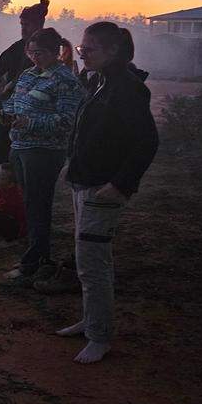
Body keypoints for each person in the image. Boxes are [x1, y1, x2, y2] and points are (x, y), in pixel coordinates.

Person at [56, 22, 159, 364]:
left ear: (112, 51)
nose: (83, 54)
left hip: (103, 189)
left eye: (90, 49)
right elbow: (85, 131)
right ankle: (92, 320)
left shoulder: (128, 89)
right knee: (87, 259)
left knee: (92, 263)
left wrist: (121, 184)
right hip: (85, 182)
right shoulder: (99, 82)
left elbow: (147, 142)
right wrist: (72, 163)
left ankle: (100, 336)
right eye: (82, 48)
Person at [1, 27, 84, 285]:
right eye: (31, 52)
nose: (34, 57)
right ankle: (37, 256)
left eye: (40, 53)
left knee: (38, 205)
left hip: (44, 151)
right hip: (20, 146)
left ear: (55, 52)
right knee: (30, 203)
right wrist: (6, 113)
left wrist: (29, 122)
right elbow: (14, 100)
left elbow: (66, 121)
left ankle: (35, 262)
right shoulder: (28, 74)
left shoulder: (65, 80)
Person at [0, 0, 50, 168]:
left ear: (39, 24)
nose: (23, 29)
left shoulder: (49, 51)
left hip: (34, 117)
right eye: (21, 24)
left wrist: (14, 85)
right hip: (10, 112)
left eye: (27, 25)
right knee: (1, 155)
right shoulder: (19, 47)